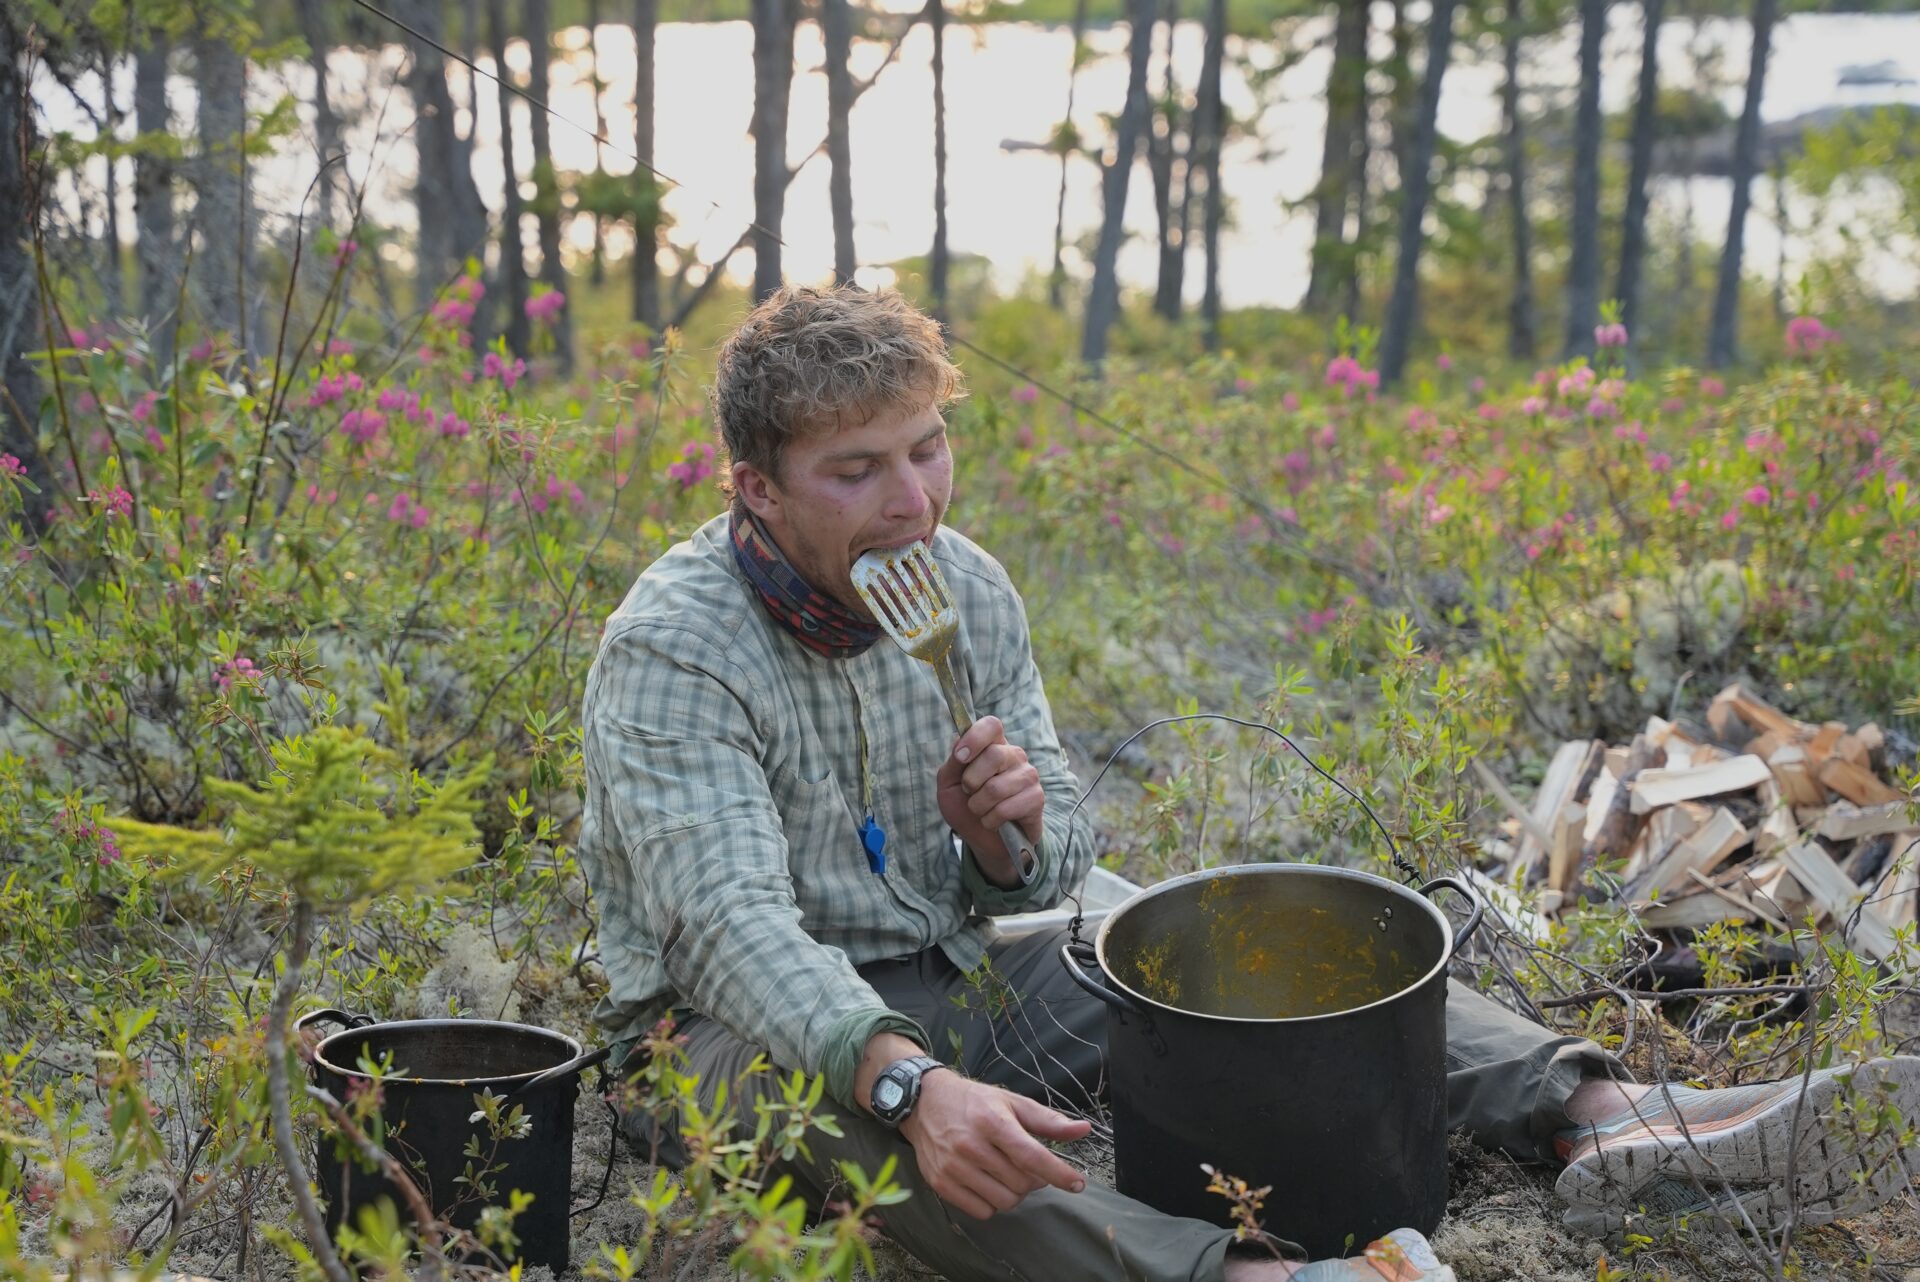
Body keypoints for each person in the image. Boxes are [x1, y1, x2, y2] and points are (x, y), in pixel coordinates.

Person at [577, 285, 1920, 1282]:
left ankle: (1593, 1112)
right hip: (727, 1023)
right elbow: (728, 926)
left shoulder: (962, 589)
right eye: (856, 471)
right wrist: (909, 1085)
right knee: (876, 1117)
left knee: (1189, 931)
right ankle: (1253, 1275)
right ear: (754, 486)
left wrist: (1012, 843)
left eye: (927, 446)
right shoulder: (676, 646)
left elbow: (1057, 846)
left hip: (963, 954)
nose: (916, 502)